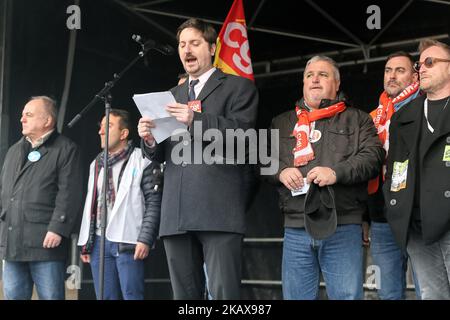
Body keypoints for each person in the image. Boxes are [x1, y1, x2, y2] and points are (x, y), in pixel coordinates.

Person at [137, 18, 258, 299]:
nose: (186, 50)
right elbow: (160, 153)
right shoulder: (171, 94)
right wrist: (150, 140)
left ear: (212, 47)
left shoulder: (238, 88)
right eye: (182, 44)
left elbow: (244, 136)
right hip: (176, 212)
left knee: (223, 295)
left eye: (194, 43)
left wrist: (196, 120)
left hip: (219, 210)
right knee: (185, 297)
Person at [269, 56, 384, 300]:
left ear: (337, 82)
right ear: (303, 83)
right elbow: (259, 160)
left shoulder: (358, 118)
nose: (315, 79)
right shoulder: (281, 122)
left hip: (342, 225)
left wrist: (336, 173)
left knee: (346, 297)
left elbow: (374, 158)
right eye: (309, 75)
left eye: (323, 74)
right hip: (296, 226)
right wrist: (280, 171)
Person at [383, 39, 450, 300]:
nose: (422, 68)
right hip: (417, 226)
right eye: (419, 64)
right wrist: (396, 206)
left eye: (431, 62)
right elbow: (395, 167)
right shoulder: (404, 116)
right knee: (432, 295)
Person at [0, 96, 83, 300]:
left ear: (47, 120)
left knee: (51, 297)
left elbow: (70, 193)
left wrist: (57, 228)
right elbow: (4, 191)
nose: (22, 119)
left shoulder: (65, 149)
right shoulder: (14, 150)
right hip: (13, 242)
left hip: (45, 242)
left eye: (28, 115)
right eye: (22, 115)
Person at [77, 109, 162, 300]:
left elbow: (154, 201)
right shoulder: (96, 163)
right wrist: (87, 243)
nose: (101, 131)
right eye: (100, 127)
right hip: (99, 241)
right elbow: (91, 205)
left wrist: (146, 238)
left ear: (124, 133)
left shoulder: (142, 159)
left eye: (108, 126)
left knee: (132, 295)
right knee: (105, 297)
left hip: (129, 239)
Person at [366, 52, 420, 300]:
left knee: (429, 291)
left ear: (414, 75)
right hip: (382, 216)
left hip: (419, 217)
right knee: (388, 294)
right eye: (388, 70)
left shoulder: (427, 106)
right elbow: (365, 170)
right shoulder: (371, 118)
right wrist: (365, 217)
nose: (392, 75)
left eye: (400, 70)